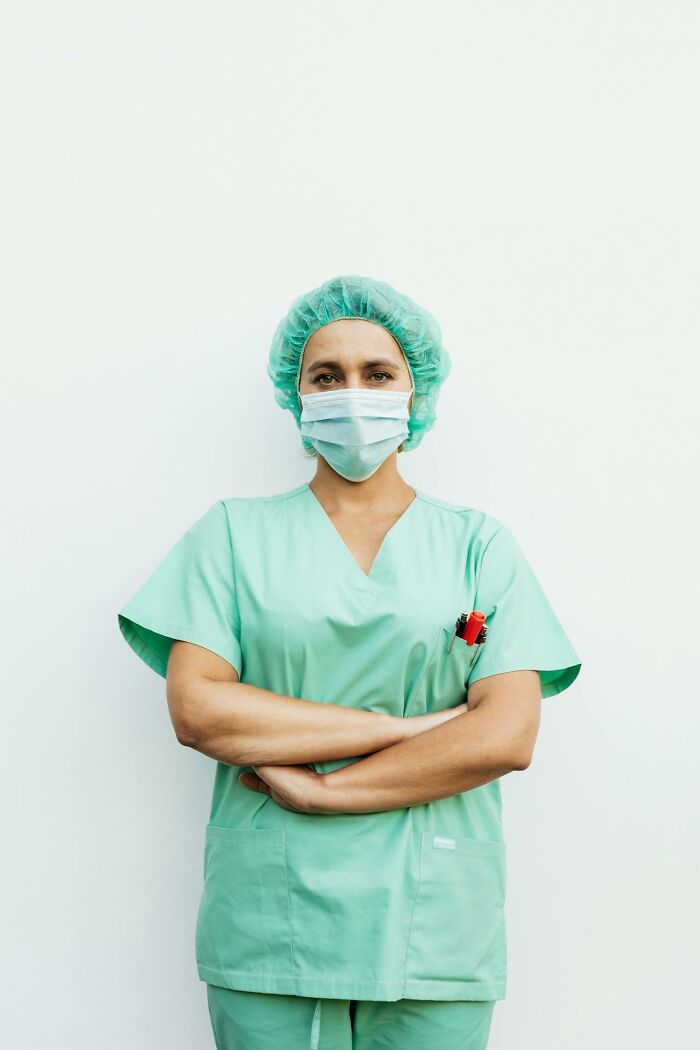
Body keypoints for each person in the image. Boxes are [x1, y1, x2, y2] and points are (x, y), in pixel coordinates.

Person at [117, 274, 582, 1049]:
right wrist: (412, 729)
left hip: (433, 925)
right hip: (274, 918)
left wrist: (326, 796)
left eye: (378, 374)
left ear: (417, 393)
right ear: (294, 396)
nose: (352, 393)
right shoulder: (231, 535)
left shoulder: (477, 545)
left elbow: (505, 737)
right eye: (326, 376)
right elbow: (200, 711)